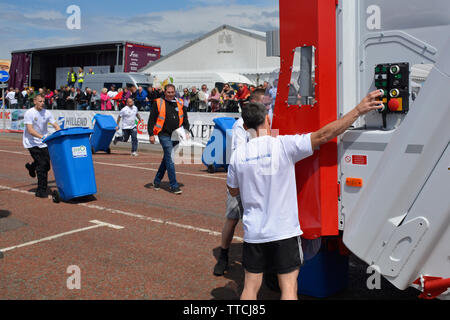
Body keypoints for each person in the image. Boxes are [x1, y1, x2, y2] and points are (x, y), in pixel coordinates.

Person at [226, 90, 383, 300]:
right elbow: (324, 135)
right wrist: (357, 110)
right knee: (289, 289)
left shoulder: (238, 155)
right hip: (284, 231)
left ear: (245, 127)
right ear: (267, 119)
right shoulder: (282, 145)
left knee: (250, 288)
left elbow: (233, 190)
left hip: (254, 232)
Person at [213, 89, 265, 276]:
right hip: (242, 179)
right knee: (233, 217)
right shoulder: (240, 126)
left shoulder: (266, 121)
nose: (266, 106)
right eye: (262, 103)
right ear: (252, 103)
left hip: (260, 179)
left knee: (259, 219)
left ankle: (257, 258)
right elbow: (239, 153)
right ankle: (224, 255)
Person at [148, 84, 190, 195]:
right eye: (168, 92)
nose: (170, 94)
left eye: (172, 92)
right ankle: (174, 185)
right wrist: (151, 134)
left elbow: (185, 118)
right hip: (164, 134)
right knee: (170, 159)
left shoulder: (180, 103)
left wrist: (186, 130)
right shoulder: (158, 102)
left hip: (176, 135)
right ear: (165, 92)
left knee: (167, 159)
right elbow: (151, 119)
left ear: (175, 92)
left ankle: (157, 181)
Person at [23, 94, 61, 198]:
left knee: (46, 165)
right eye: (40, 101)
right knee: (42, 164)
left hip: (43, 142)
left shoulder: (47, 113)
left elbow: (55, 124)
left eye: (43, 101)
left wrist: (61, 134)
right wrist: (42, 137)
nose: (42, 103)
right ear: (35, 101)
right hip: (31, 142)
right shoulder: (29, 113)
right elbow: (30, 130)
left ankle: (31, 167)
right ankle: (41, 190)